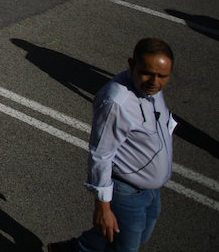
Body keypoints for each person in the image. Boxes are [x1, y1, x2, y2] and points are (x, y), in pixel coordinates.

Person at [48, 39, 176, 252]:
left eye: (163, 76)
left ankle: (73, 249)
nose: (155, 82)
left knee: (137, 234)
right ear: (131, 65)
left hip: (151, 190)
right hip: (126, 191)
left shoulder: (152, 90)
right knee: (126, 247)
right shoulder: (116, 102)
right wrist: (102, 207)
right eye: (147, 73)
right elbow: (101, 154)